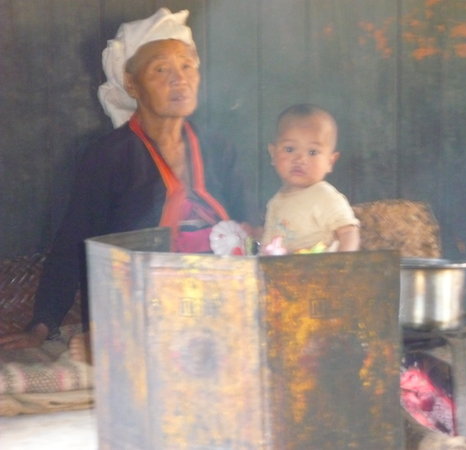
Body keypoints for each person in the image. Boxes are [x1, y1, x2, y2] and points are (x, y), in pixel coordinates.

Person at [0, 8, 252, 359]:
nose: (179, 78)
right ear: (131, 84)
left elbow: (247, 227)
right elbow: (75, 241)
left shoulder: (219, 148)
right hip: (140, 307)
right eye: (160, 69)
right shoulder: (110, 156)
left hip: (217, 299)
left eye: (186, 65)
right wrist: (42, 326)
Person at [261, 104, 360, 254]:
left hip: (320, 272)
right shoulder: (276, 202)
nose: (300, 159)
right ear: (273, 153)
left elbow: (349, 232)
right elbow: (268, 245)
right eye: (289, 149)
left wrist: (344, 267)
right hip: (285, 274)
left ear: (330, 161)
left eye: (313, 152)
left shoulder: (324, 196)